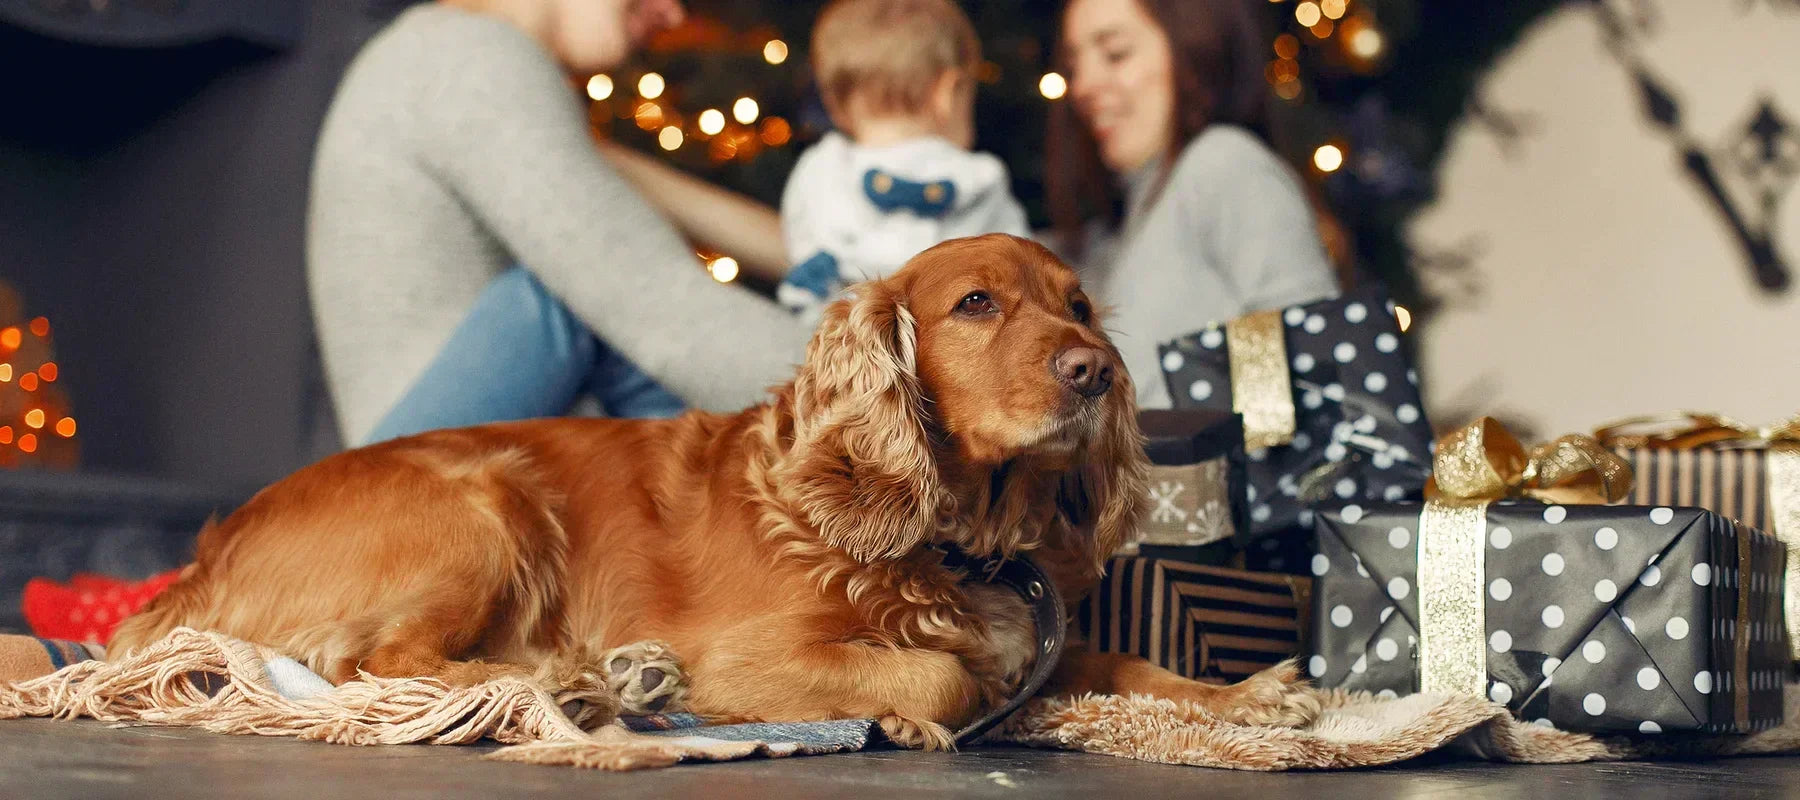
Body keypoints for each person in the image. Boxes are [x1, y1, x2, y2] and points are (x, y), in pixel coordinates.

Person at [306, 0, 815, 446]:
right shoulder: (470, 57)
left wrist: (843, 258)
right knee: (583, 298)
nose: (672, 13)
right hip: (414, 484)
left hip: (419, 472)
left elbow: (657, 220)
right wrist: (854, 390)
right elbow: (660, 306)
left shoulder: (437, 58)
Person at [1048, 0, 1340, 409]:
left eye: (1116, 54)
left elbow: (1311, 358)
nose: (1082, 86)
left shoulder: (1221, 164)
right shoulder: (1123, 225)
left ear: (1195, 49)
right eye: (1074, 66)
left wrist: (1211, 433)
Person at [774, 0, 1030, 322]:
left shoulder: (820, 168)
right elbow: (1024, 270)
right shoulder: (979, 179)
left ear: (834, 106)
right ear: (949, 93)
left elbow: (801, 247)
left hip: (845, 336)